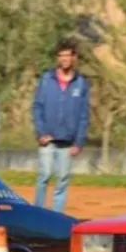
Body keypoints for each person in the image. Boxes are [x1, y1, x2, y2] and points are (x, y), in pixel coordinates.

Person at [31, 38, 90, 212]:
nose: (64, 59)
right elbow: (37, 107)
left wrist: (79, 142)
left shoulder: (81, 83)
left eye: (67, 55)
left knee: (63, 179)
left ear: (74, 57)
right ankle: (38, 213)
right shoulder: (47, 79)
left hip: (67, 141)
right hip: (47, 140)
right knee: (44, 176)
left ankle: (56, 216)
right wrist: (41, 132)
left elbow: (83, 115)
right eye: (61, 56)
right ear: (57, 58)